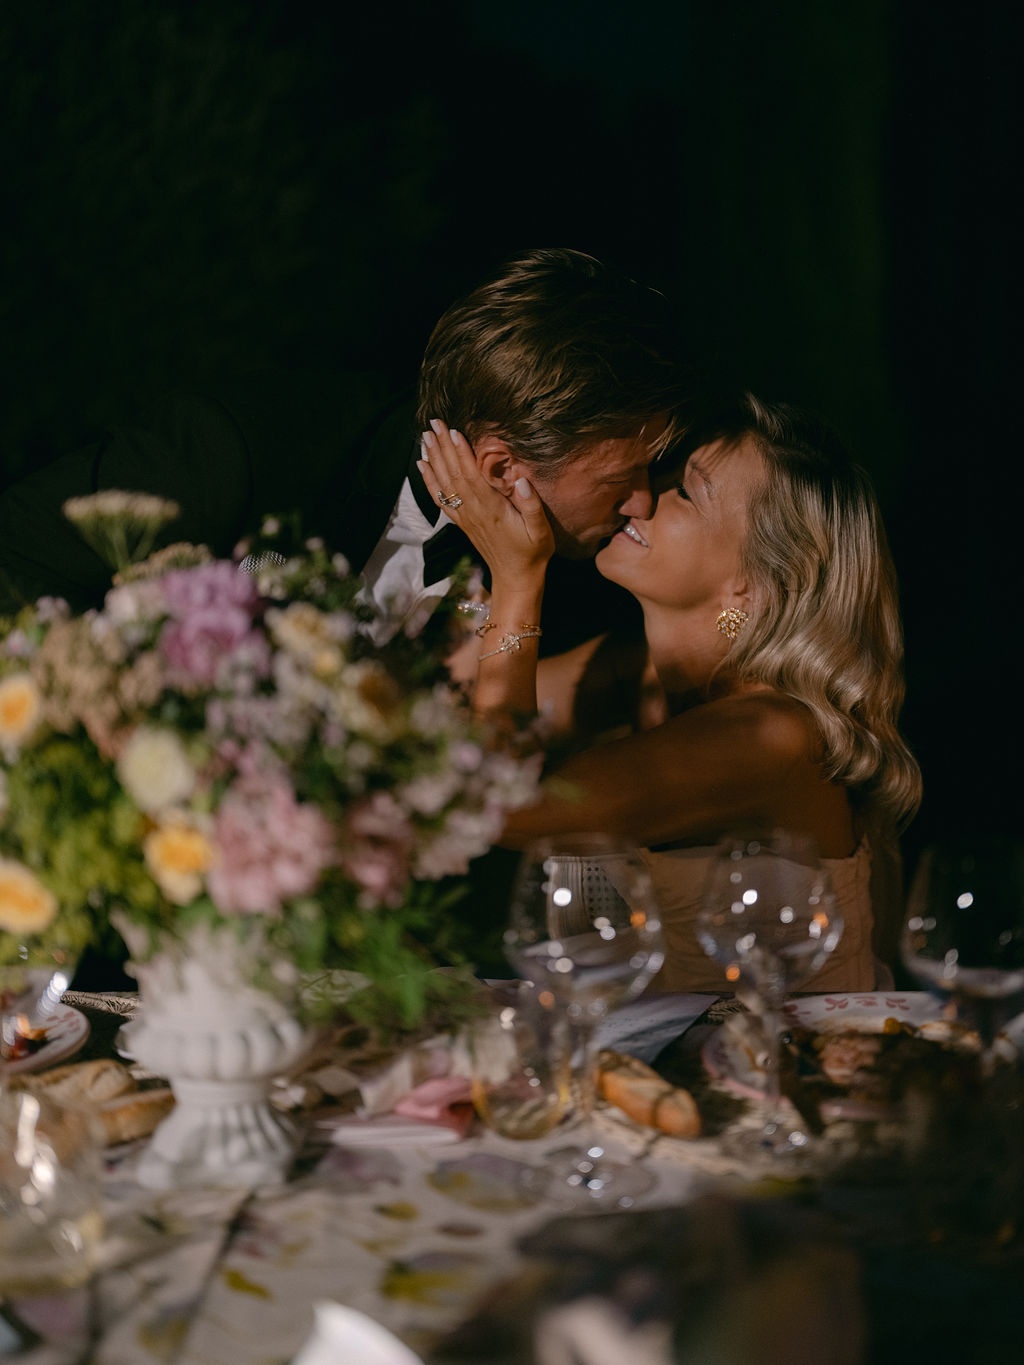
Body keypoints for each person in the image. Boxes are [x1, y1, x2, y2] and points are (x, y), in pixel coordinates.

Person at [416, 394, 923, 992]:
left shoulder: (771, 734)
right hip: (659, 1040)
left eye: (685, 491)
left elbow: (505, 807)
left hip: (785, 1046)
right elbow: (448, 708)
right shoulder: (637, 671)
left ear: (753, 583)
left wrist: (518, 577)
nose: (640, 497)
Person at [0, 248, 688, 664]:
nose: (643, 500)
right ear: (503, 469)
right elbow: (16, 557)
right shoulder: (242, 452)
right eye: (622, 477)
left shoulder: (567, 576)